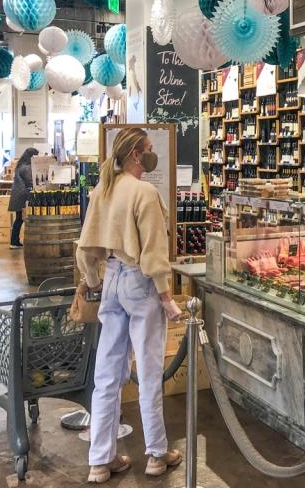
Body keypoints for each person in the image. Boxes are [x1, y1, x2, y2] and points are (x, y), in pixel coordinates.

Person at [76, 128, 184, 483]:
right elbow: (153, 252)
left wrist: (93, 281)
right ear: (137, 155)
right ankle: (156, 453)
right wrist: (167, 297)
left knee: (107, 374)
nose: (152, 156)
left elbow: (86, 246)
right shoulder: (145, 193)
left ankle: (99, 461)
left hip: (111, 278)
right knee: (149, 369)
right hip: (140, 281)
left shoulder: (101, 190)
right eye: (149, 150)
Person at [8, 148, 38, 249]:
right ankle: (14, 241)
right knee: (21, 219)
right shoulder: (26, 167)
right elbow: (30, 181)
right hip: (22, 196)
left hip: (18, 196)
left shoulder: (20, 165)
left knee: (19, 219)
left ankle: (14, 241)